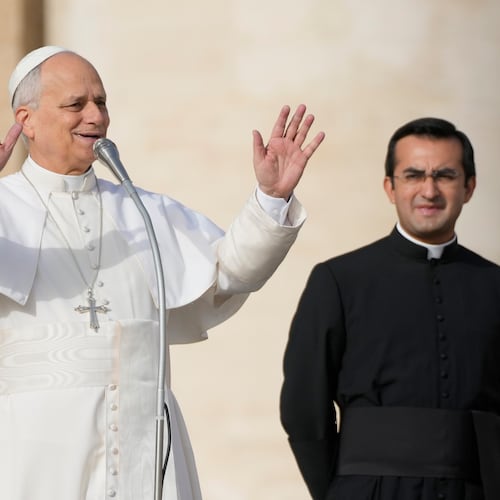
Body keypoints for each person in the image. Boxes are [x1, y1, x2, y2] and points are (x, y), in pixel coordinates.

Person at [0, 46, 325, 500]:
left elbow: (226, 274)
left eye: (102, 102)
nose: (95, 116)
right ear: (26, 119)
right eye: (76, 104)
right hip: (34, 447)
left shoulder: (141, 208)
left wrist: (270, 198)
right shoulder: (4, 206)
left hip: (144, 436)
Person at [280, 117, 500, 500]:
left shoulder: (494, 285)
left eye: (445, 175)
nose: (428, 190)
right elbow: (303, 408)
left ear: (469, 187)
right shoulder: (339, 280)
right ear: (390, 187)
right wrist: (336, 491)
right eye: (413, 175)